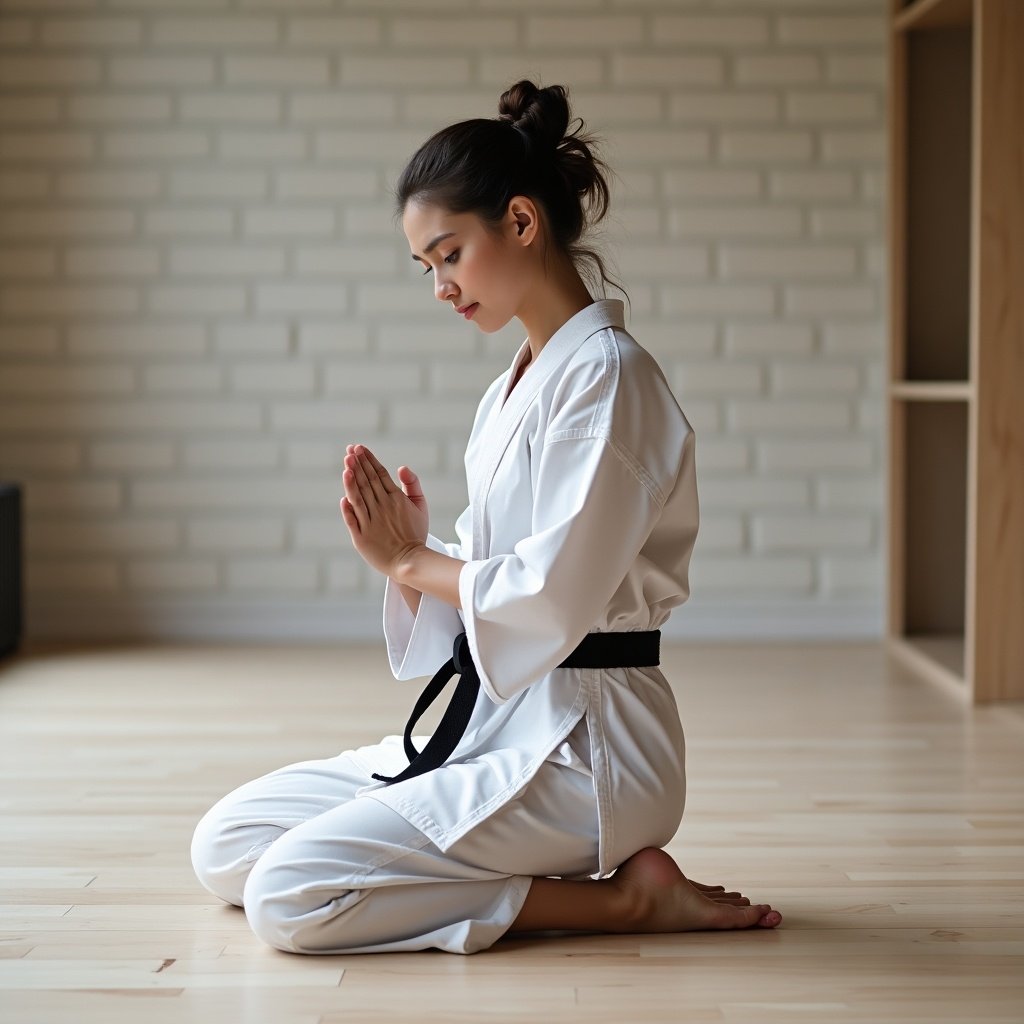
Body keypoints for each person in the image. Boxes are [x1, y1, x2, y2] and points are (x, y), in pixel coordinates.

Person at [189, 80, 782, 954]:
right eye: (425, 267)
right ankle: (500, 872)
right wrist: (421, 549)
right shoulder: (514, 386)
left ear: (520, 221)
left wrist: (410, 562)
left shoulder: (610, 381)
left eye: (449, 254)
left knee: (289, 893)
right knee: (227, 847)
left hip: (592, 748)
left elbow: (549, 599)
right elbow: (491, 577)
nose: (439, 286)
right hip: (503, 721)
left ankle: (624, 903)